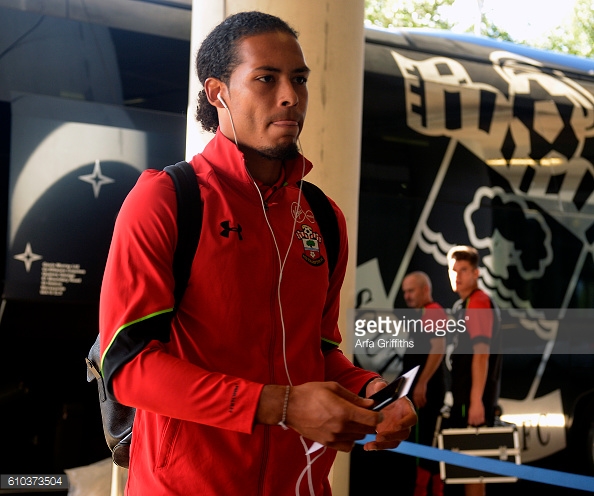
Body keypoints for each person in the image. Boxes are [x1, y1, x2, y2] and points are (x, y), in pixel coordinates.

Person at [98, 11, 416, 496]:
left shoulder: (323, 217)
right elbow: (129, 366)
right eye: (266, 79)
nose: (290, 95)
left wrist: (371, 392)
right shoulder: (167, 199)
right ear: (217, 92)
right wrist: (281, 406)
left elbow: (319, 355)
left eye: (299, 79)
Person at [446, 246, 502, 496]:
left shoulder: (478, 302)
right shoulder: (464, 304)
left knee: (473, 470)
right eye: (454, 270)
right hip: (466, 398)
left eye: (464, 270)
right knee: (467, 467)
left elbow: (481, 355)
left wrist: (476, 401)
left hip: (474, 401)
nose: (457, 275)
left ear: (476, 273)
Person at [401, 272, 447, 496]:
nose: (407, 296)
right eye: (404, 292)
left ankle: (426, 490)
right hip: (420, 389)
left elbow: (438, 348)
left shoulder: (433, 311)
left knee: (425, 443)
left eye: (411, 290)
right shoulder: (423, 314)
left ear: (424, 289)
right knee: (425, 442)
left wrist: (422, 383)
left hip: (427, 391)